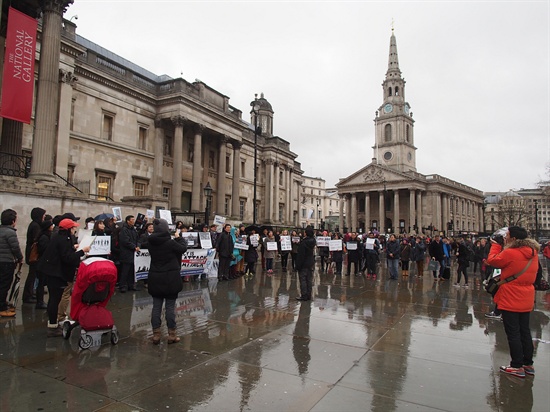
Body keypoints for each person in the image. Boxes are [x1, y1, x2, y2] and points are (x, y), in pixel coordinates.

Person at [486, 226, 538, 378]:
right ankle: (528, 363)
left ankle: (516, 365)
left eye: (507, 235)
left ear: (514, 239)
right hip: (526, 296)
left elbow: (492, 260)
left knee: (513, 333)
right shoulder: (533, 253)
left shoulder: (510, 252)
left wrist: (495, 245)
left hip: (511, 296)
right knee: (524, 332)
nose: (505, 237)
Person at [38, 219, 89, 337]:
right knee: (54, 300)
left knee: (54, 299)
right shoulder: (63, 239)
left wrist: (73, 247)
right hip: (56, 273)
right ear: (68, 229)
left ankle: (53, 323)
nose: (74, 229)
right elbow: (67, 258)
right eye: (73, 228)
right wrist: (82, 251)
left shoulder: (58, 237)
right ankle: (52, 326)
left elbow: (63, 252)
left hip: (51, 271)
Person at [147, 218, 187, 344]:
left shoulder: (150, 242)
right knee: (170, 307)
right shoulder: (170, 243)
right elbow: (183, 249)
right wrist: (179, 237)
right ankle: (172, 334)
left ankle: (156, 335)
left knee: (156, 307)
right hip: (170, 277)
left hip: (155, 277)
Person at [0, 209, 24, 317]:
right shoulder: (10, 232)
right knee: (5, 285)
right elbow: (15, 248)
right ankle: (2, 307)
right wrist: (20, 258)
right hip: (7, 262)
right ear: (13, 221)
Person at [23, 207, 46, 304]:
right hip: (34, 255)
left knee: (32, 275)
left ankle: (29, 293)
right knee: (32, 275)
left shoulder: (34, 224)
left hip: (31, 253)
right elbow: (37, 240)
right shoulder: (36, 226)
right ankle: (27, 295)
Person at [34, 220, 55, 309]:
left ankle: (40, 301)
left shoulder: (46, 236)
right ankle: (40, 302)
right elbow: (44, 250)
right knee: (41, 284)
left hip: (43, 263)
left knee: (42, 283)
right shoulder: (44, 237)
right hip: (42, 264)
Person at [118, 215, 140, 292]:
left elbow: (138, 239)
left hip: (133, 253)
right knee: (125, 270)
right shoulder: (124, 230)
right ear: (128, 221)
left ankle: (131, 285)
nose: (134, 221)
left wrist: (138, 246)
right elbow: (125, 241)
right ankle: (122, 285)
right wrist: (134, 247)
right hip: (126, 253)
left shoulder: (134, 230)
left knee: (131, 270)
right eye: (132, 219)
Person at [295, 227, 316, 301]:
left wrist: (298, 265)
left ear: (306, 233)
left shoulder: (304, 242)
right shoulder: (313, 241)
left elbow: (301, 255)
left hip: (304, 263)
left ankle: (304, 295)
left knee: (303, 280)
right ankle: (309, 295)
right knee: (309, 280)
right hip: (310, 262)